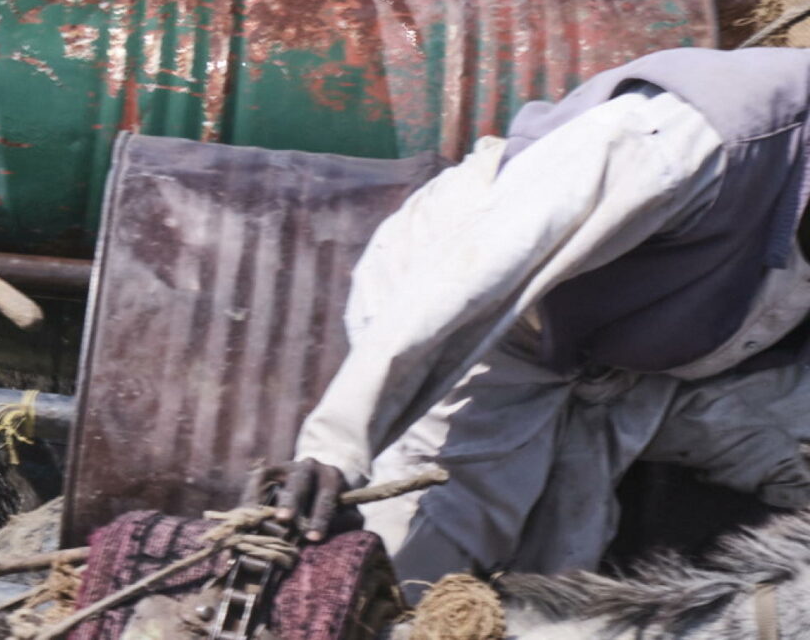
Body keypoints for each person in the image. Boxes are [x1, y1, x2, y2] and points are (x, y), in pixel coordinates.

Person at [282, 47, 810, 587]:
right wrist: (338, 446)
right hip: (496, 324)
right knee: (424, 563)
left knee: (556, 581)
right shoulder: (693, 137)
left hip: (626, 368)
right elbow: (484, 268)